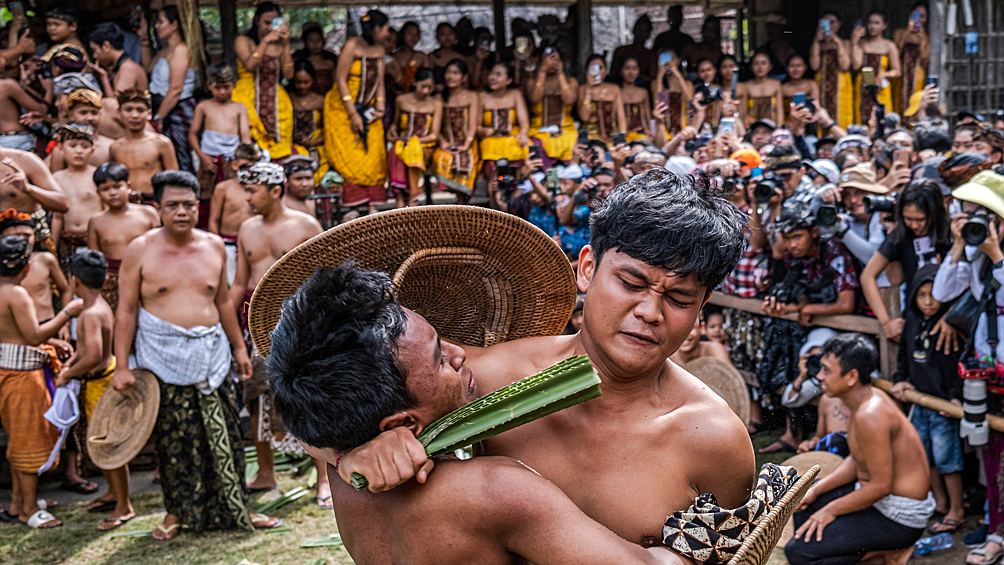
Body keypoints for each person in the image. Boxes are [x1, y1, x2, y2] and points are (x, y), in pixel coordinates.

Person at [335, 169, 757, 547]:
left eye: (680, 298)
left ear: (701, 309)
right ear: (588, 269)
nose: (650, 312)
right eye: (631, 283)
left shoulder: (715, 440)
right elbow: (322, 399)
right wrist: (346, 453)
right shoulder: (489, 378)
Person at [267, 262, 704, 565]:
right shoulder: (497, 491)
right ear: (400, 426)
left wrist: (343, 456)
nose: (461, 355)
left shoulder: (347, 476)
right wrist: (686, 541)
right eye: (440, 358)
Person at [111, 170, 278, 541]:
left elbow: (221, 301)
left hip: (213, 354)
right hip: (161, 357)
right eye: (173, 205)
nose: (183, 211)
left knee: (230, 435)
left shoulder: (214, 244)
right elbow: (126, 311)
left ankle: (238, 507)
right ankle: (176, 512)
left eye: (189, 204)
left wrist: (238, 347)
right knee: (175, 441)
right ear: (158, 207)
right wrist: (122, 365)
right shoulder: (140, 250)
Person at [785, 334, 935, 565]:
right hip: (877, 498)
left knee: (799, 553)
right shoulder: (861, 400)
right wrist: (817, 489)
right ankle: (871, 555)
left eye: (826, 370)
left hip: (899, 517)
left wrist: (831, 510)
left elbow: (880, 486)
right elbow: (858, 459)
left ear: (852, 376)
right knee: (805, 496)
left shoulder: (871, 414)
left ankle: (883, 554)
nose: (819, 376)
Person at [228, 161, 327, 505]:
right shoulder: (246, 229)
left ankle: (323, 478)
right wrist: (237, 342)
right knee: (256, 396)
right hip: (255, 322)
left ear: (274, 191)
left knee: (311, 396)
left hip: (299, 321)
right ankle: (266, 473)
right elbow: (239, 284)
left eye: (252, 191)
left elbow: (322, 282)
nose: (247, 198)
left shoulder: (306, 225)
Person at [0, 233, 79, 528]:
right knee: (27, 442)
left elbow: (15, 336)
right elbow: (33, 334)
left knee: (18, 440)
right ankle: (29, 509)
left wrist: (49, 345)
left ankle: (18, 502)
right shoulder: (16, 294)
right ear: (25, 268)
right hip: (21, 379)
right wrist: (68, 313)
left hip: (9, 370)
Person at [54, 250, 135, 531]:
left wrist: (67, 373)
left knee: (109, 446)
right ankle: (113, 493)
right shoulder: (96, 305)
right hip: (99, 380)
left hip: (101, 383)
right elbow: (84, 350)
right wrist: (74, 363)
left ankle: (124, 505)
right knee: (101, 444)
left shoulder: (90, 313)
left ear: (74, 280)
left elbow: (94, 355)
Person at [888, 264, 965, 533]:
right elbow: (904, 356)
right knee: (924, 456)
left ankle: (957, 509)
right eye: (921, 295)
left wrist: (955, 398)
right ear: (913, 297)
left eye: (934, 294)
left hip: (943, 407)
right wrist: (900, 380)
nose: (928, 301)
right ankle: (941, 503)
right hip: (919, 403)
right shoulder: (911, 321)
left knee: (948, 461)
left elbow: (959, 365)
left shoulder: (950, 326)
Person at [861, 179, 951, 342]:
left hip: (948, 322)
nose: (915, 225)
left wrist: (954, 316)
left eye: (921, 219)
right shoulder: (899, 236)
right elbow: (868, 276)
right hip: (914, 322)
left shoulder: (951, 235)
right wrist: (886, 322)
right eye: (908, 218)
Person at [323, 10, 389, 213]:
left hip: (368, 109)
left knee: (374, 152)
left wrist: (380, 107)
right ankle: (354, 203)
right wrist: (352, 114)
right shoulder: (352, 45)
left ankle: (373, 205)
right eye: (386, 28)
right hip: (342, 109)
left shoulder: (380, 49)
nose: (388, 33)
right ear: (377, 28)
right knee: (351, 154)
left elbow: (379, 82)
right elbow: (340, 79)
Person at [86, 163, 159, 315]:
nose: (112, 193)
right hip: (111, 282)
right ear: (98, 192)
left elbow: (159, 249)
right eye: (105, 189)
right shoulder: (96, 221)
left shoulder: (148, 214)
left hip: (145, 277)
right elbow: (94, 260)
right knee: (115, 323)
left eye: (117, 186)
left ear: (128, 185)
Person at [233, 2, 296, 162]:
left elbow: (288, 75)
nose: (270, 27)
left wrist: (286, 44)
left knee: (280, 151)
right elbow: (250, 66)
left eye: (275, 23)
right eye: (266, 22)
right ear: (256, 20)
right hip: (248, 99)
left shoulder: (279, 47)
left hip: (277, 102)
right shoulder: (243, 41)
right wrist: (265, 41)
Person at [141, 6, 198, 173]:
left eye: (161, 21)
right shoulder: (166, 49)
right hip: (164, 107)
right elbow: (148, 67)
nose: (157, 26)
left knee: (181, 154)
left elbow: (175, 89)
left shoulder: (181, 50)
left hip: (177, 109)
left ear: (174, 25)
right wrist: (144, 38)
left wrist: (159, 117)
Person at [189, 64, 252, 206]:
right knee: (206, 195)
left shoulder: (239, 107)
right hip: (209, 160)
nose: (222, 92)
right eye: (217, 88)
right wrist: (202, 156)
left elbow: (245, 136)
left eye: (226, 87)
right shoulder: (203, 106)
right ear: (209, 86)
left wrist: (246, 159)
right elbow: (192, 134)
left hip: (232, 159)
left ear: (233, 84)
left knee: (232, 195)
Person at [1, 209, 69, 333]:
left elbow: (65, 289)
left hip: (48, 324)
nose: (23, 240)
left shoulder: (46, 259)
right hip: (15, 330)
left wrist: (64, 325)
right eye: (16, 236)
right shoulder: (3, 267)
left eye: (27, 235)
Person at [108, 90, 178, 202]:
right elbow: (113, 180)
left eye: (140, 110)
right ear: (118, 113)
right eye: (128, 110)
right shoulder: (115, 147)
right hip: (126, 204)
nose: (135, 115)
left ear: (149, 114)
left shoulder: (161, 143)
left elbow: (174, 180)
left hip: (154, 201)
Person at [52, 123, 101, 277]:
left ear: (92, 150)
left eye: (84, 146)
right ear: (61, 148)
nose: (79, 150)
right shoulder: (56, 178)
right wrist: (53, 246)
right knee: (70, 280)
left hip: (93, 239)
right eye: (72, 145)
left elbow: (106, 212)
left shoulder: (97, 176)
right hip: (67, 241)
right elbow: (57, 216)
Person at [387, 68, 441, 208]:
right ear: (414, 82)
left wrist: (413, 141)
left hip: (424, 146)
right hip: (403, 144)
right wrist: (391, 132)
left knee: (412, 153)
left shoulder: (436, 104)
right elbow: (395, 124)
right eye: (423, 86)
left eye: (430, 87)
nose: (426, 91)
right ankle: (400, 199)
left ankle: (413, 198)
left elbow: (434, 135)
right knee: (394, 152)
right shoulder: (401, 100)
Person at [208, 143, 259, 285]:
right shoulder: (223, 188)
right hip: (227, 245)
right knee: (228, 283)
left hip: (252, 243)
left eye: (253, 165)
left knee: (252, 283)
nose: (249, 169)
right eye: (245, 165)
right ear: (235, 165)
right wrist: (216, 246)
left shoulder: (259, 189)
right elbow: (214, 220)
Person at [432, 59, 480, 203]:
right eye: (448, 72)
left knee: (467, 161)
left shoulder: (472, 96)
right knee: (442, 159)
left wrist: (467, 144)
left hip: (468, 143)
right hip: (447, 144)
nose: (450, 76)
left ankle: (462, 202)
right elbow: (435, 127)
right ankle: (460, 201)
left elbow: (473, 125)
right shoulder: (439, 98)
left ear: (464, 77)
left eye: (455, 73)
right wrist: (442, 142)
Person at [527, 45, 578, 165]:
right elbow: (535, 99)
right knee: (534, 144)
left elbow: (569, 100)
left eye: (555, 59)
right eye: (547, 59)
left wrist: (560, 73)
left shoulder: (571, 81)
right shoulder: (532, 81)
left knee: (571, 142)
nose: (551, 62)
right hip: (538, 130)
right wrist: (542, 71)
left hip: (566, 129)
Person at [479, 62, 530, 180]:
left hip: (513, 138)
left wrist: (523, 134)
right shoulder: (482, 97)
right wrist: (485, 130)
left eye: (498, 74)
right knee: (489, 150)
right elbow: (476, 126)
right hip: (491, 140)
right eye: (491, 73)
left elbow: (524, 123)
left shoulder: (515, 94)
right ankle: (494, 189)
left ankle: (519, 188)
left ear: (509, 80)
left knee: (525, 147)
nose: (492, 77)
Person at [48, 89, 115, 170]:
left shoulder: (110, 146)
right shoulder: (62, 150)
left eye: (94, 113)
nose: (90, 118)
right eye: (83, 112)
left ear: (100, 114)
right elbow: (56, 179)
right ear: (71, 115)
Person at [852, 12, 900, 125]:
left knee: (881, 117)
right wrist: (854, 43)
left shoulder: (889, 45)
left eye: (877, 23)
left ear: (884, 26)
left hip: (880, 88)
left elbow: (897, 71)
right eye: (870, 23)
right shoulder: (862, 43)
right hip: (862, 86)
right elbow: (856, 66)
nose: (872, 26)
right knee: (861, 116)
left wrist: (883, 75)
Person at [810, 13, 854, 131]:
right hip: (822, 84)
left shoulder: (845, 43)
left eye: (832, 22)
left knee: (842, 114)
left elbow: (845, 66)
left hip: (841, 85)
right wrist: (816, 41)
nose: (829, 25)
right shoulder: (818, 45)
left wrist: (837, 41)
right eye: (825, 22)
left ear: (839, 24)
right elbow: (814, 66)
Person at [578, 55, 626, 146]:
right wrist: (588, 89)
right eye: (592, 68)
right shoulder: (582, 89)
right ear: (587, 71)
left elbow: (621, 118)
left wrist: (621, 139)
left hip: (611, 138)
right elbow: (584, 117)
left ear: (606, 70)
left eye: (600, 68)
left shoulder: (614, 89)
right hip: (590, 139)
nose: (597, 72)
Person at [288, 60, 326, 172]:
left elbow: (330, 130)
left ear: (313, 80)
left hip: (317, 147)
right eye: (298, 82)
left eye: (306, 82)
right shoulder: (287, 99)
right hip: (291, 147)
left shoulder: (321, 101)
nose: (302, 86)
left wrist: (312, 142)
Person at [0, 61, 47, 151]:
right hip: (16, 141)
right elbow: (40, 110)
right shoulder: (6, 85)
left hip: (3, 142)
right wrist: (49, 91)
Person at [893, 3, 930, 117]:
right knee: (898, 99)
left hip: (917, 75)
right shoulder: (899, 32)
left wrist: (922, 40)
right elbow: (896, 54)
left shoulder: (926, 37)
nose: (919, 19)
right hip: (901, 73)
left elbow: (925, 62)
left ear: (926, 18)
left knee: (915, 99)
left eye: (922, 16)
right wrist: (908, 31)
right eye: (916, 15)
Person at [89, 22, 148, 93]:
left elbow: (115, 103)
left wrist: (104, 80)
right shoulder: (122, 66)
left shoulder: (128, 69)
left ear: (106, 46)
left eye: (95, 50)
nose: (95, 56)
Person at [652, 50, 693, 138]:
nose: (667, 62)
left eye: (671, 59)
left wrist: (676, 72)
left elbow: (690, 100)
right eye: (665, 59)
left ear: (678, 60)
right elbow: (658, 103)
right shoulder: (656, 83)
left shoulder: (688, 84)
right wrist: (660, 73)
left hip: (685, 128)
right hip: (665, 130)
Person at [739, 52, 784, 128]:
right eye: (756, 64)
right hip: (753, 127)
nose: (760, 67)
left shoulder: (776, 84)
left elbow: (780, 109)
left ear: (770, 66)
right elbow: (743, 112)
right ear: (751, 67)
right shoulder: (746, 86)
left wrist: (779, 127)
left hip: (773, 126)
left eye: (763, 63)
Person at [293, 22, 337, 96]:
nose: (315, 44)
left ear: (323, 41)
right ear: (305, 43)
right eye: (311, 41)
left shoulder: (331, 62)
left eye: (318, 40)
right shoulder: (300, 63)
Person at [386, 21, 429, 95]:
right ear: (402, 34)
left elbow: (429, 80)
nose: (413, 37)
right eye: (410, 33)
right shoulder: (391, 57)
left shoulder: (422, 57)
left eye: (416, 34)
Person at [610, 16, 654, 85]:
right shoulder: (621, 51)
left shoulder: (650, 55)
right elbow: (613, 75)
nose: (641, 34)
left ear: (649, 34)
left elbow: (652, 78)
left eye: (645, 31)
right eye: (639, 29)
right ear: (634, 30)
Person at [618, 57, 652, 142]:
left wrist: (651, 131)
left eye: (634, 68)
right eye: (627, 68)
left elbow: (648, 117)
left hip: (642, 134)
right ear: (621, 71)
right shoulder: (617, 92)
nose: (631, 72)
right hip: (624, 134)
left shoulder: (643, 92)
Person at [781, 55, 820, 127]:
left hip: (809, 123)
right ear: (787, 68)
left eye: (799, 66)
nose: (795, 69)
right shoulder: (782, 88)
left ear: (805, 67)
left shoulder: (811, 84)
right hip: (788, 124)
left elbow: (816, 107)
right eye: (792, 66)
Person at [429, 23, 464, 90]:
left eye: (450, 34)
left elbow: (465, 84)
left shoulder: (460, 58)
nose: (447, 37)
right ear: (437, 37)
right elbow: (427, 80)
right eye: (443, 34)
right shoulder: (431, 57)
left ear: (455, 35)